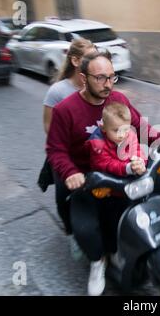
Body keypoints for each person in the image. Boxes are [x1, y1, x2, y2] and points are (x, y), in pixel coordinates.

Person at [46, 51, 160, 296]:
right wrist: (71, 173)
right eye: (100, 78)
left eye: (112, 77)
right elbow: (55, 150)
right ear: (83, 78)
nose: (108, 84)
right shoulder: (65, 110)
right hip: (91, 181)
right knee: (87, 231)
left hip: (126, 170)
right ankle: (98, 262)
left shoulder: (118, 99)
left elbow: (140, 126)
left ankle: (155, 237)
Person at [38, 38, 97, 260]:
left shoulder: (96, 84)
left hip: (96, 152)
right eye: (90, 57)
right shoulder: (57, 91)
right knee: (63, 195)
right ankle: (72, 233)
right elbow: (48, 127)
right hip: (66, 155)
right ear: (75, 60)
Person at [87, 102, 147, 177]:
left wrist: (140, 162)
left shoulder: (130, 135)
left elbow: (137, 150)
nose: (121, 135)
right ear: (103, 128)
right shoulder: (98, 144)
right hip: (108, 179)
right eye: (116, 130)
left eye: (125, 129)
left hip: (129, 172)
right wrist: (127, 168)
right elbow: (106, 164)